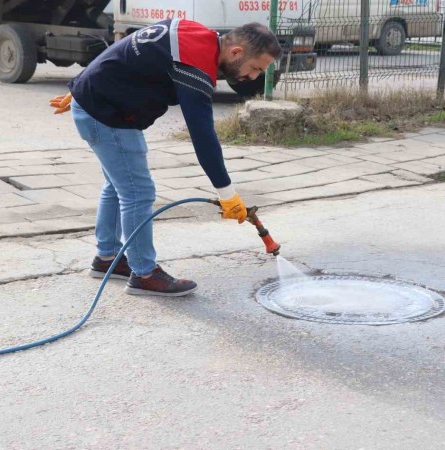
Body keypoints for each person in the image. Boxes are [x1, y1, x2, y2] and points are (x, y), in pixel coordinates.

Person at [49, 20, 282, 297]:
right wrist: (227, 193)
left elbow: (126, 49)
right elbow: (203, 136)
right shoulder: (195, 65)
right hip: (105, 114)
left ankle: (107, 258)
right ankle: (144, 274)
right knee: (137, 192)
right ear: (236, 52)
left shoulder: (195, 34)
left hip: (98, 104)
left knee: (118, 185)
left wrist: (83, 84)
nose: (254, 77)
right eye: (255, 68)